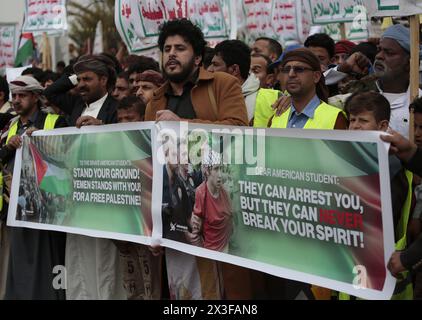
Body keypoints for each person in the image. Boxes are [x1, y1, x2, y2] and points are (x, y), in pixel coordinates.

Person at [145, 18, 250, 300]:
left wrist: (184, 124)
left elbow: (239, 130)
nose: (171, 54)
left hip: (218, 214)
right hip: (174, 218)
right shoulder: (156, 99)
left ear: (198, 56)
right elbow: (150, 164)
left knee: (219, 289)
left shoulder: (222, 84)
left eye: (180, 48)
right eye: (166, 48)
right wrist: (152, 224)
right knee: (183, 291)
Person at [0, 76, 67, 300]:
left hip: (48, 210)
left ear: (36, 97)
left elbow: (67, 159)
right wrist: (9, 148)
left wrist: (42, 141)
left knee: (48, 267)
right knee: (20, 267)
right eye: (14, 96)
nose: (17, 101)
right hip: (16, 209)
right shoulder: (10, 126)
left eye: (22, 96)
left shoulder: (56, 122)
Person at [269, 48, 347, 130]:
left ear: (316, 76)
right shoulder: (275, 118)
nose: (291, 74)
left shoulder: (336, 118)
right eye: (286, 70)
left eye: (299, 69)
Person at [207, 40, 280, 125]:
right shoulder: (205, 94)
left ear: (234, 69)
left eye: (215, 65)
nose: (209, 69)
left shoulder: (275, 98)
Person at [374, 24, 422, 138]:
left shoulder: (419, 100)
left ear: (409, 63)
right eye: (379, 50)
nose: (379, 56)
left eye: (389, 52)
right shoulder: (362, 95)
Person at [44, 54, 118, 126]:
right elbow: (49, 92)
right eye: (78, 80)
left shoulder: (116, 108)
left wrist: (102, 126)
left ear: (103, 80)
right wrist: (75, 77)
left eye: (87, 79)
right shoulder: (75, 104)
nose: (80, 85)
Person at [187, 150, 232, 253]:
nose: (220, 175)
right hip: (210, 253)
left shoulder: (225, 193)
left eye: (221, 168)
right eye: (216, 169)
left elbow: (230, 224)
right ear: (207, 171)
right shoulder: (201, 193)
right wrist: (203, 255)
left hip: (227, 252)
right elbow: (195, 233)